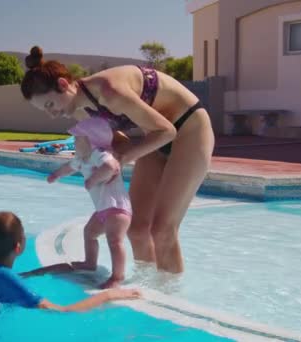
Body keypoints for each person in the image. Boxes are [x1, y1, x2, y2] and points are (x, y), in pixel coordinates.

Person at [20, 46, 215, 274]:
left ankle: (171, 295)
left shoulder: (109, 91)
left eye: (50, 105)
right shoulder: (79, 109)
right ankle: (149, 287)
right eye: (45, 110)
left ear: (64, 85)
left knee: (163, 230)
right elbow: (119, 142)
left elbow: (167, 131)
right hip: (153, 137)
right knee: (136, 228)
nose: (52, 114)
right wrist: (94, 160)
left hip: (190, 130)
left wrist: (119, 159)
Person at [0, 211, 141, 311]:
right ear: (19, 248)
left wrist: (38, 272)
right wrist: (107, 295)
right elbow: (62, 310)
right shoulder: (4, 278)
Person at [46, 117, 131, 288]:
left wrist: (93, 179)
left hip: (117, 209)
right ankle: (90, 263)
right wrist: (56, 175)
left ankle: (117, 277)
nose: (74, 142)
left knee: (115, 241)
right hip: (103, 210)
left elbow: (111, 167)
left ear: (91, 141)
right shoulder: (82, 159)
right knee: (89, 233)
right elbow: (69, 167)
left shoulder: (99, 154)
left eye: (77, 139)